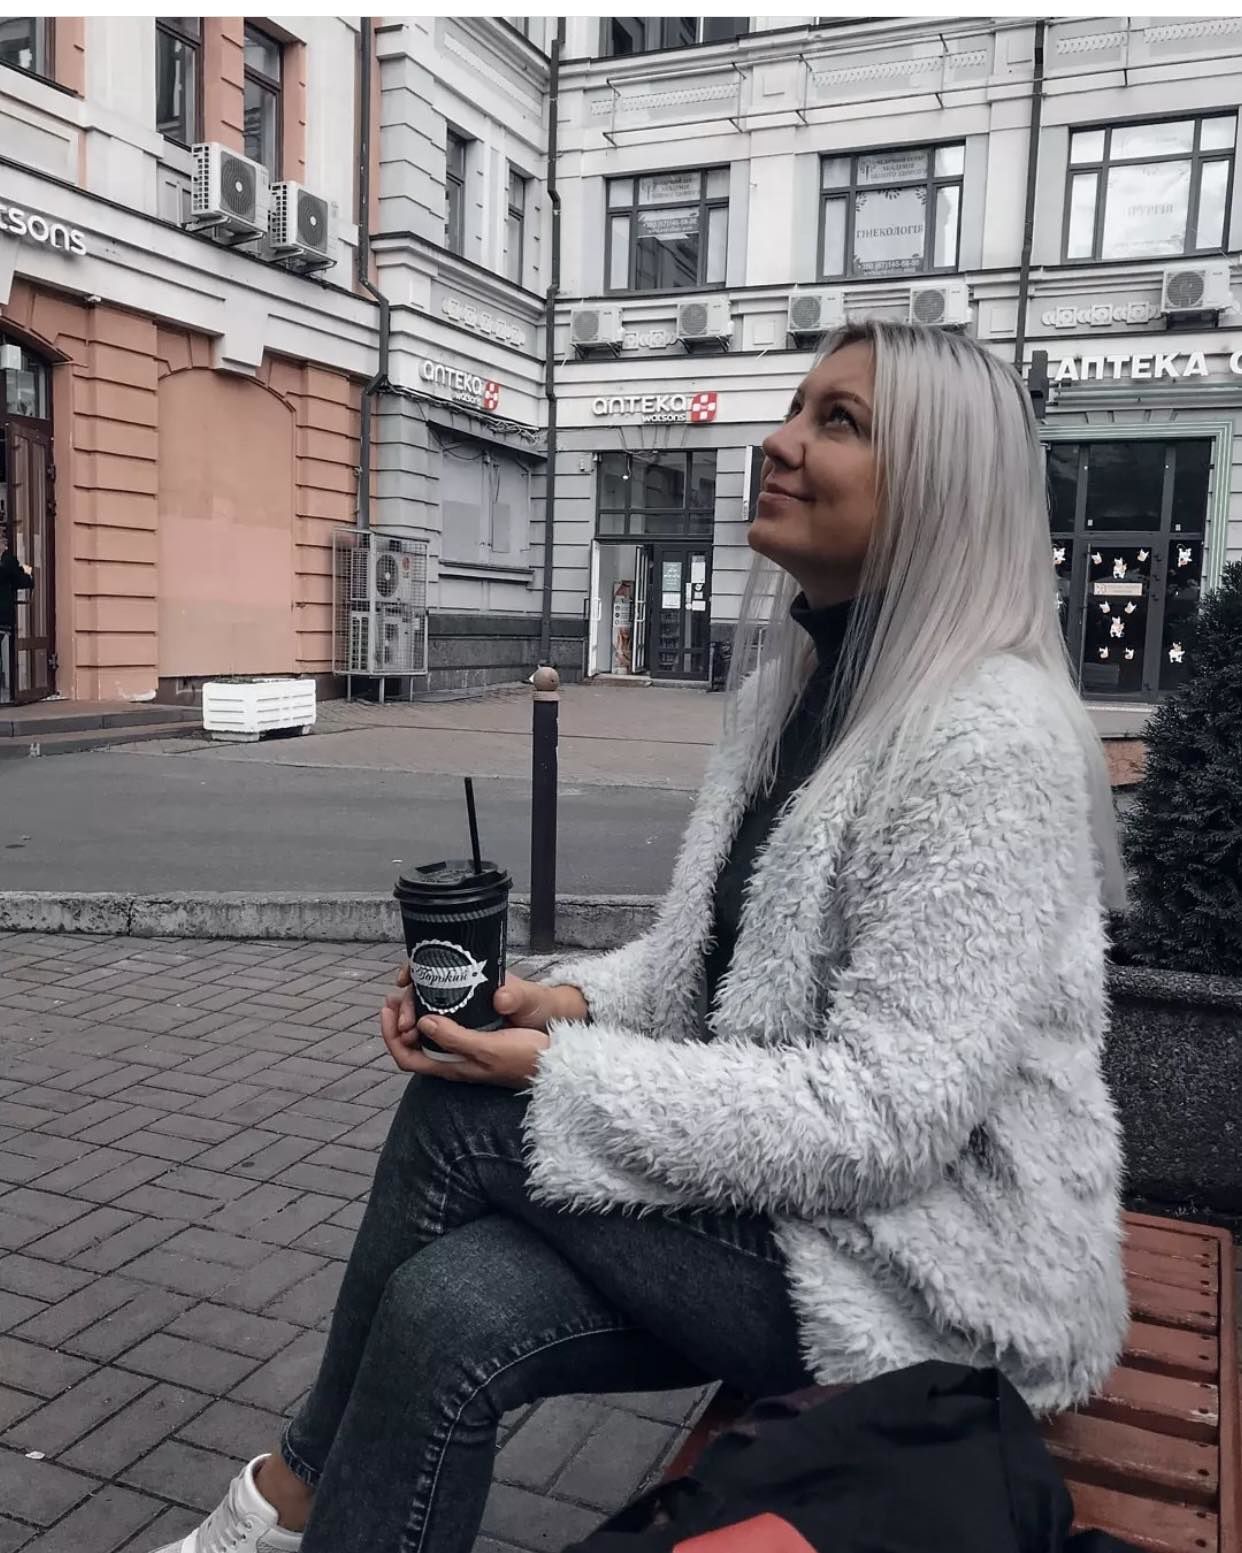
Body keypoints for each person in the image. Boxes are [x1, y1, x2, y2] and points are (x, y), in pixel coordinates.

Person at [153, 322, 1128, 1553]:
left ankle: (289, 1495)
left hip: (937, 1276)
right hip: (793, 1213)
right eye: (795, 407)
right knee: (442, 1309)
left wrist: (558, 1069)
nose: (778, 442)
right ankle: (301, 1503)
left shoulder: (989, 738)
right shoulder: (789, 686)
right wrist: (557, 1004)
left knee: (464, 1114)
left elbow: (888, 1119)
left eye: (838, 421)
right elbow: (705, 962)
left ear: (942, 485)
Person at [0, 544, 34, 703]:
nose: (6, 545)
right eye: (3, 541)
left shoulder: (7, 562)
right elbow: (20, 580)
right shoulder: (8, 562)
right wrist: (26, 573)